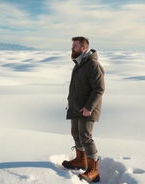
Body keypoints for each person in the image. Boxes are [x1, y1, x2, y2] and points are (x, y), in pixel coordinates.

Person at [62, 36, 105, 183]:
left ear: (83, 48)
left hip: (87, 108)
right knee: (76, 133)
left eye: (75, 46)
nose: (72, 48)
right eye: (72, 46)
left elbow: (99, 89)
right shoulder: (79, 64)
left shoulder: (93, 65)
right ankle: (81, 161)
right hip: (76, 107)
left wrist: (89, 107)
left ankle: (94, 170)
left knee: (86, 136)